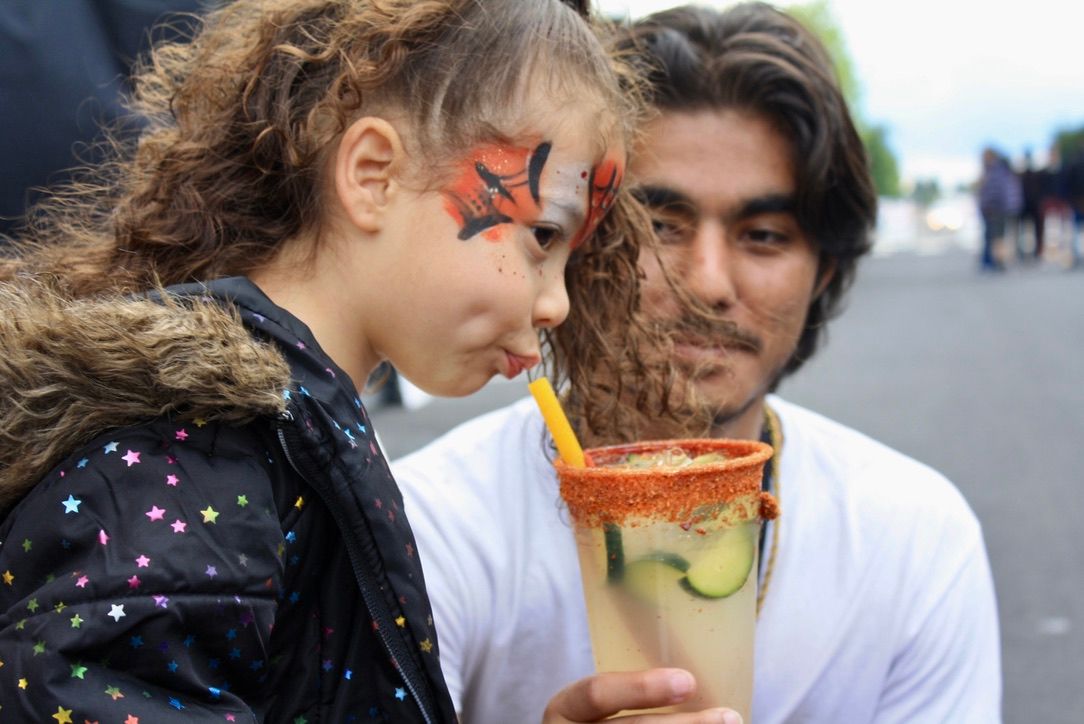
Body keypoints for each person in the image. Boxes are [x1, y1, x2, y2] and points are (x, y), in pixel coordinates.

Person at [0, 1, 735, 722]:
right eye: (542, 235)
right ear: (374, 175)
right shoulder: (192, 465)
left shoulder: (286, 445)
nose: (558, 306)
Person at [394, 4, 1002, 723]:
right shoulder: (424, 527)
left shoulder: (916, 540)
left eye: (765, 234)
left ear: (825, 273)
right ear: (571, 242)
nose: (709, 282)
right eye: (660, 225)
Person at [977, 147, 1022, 272]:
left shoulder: (995, 172)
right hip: (997, 209)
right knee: (996, 237)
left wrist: (989, 205)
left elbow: (996, 192)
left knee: (997, 237)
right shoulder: (998, 171)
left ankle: (998, 261)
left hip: (995, 209)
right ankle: (994, 261)